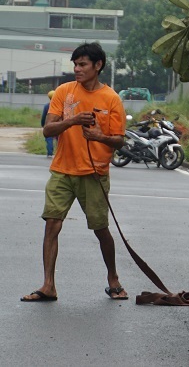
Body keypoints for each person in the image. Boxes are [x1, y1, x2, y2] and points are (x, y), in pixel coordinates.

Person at [20, 42, 128, 303]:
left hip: (94, 173)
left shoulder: (111, 99)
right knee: (51, 225)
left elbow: (120, 140)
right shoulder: (65, 92)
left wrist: (100, 136)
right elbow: (48, 130)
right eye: (75, 65)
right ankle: (48, 286)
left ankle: (113, 279)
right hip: (62, 171)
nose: (77, 69)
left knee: (101, 229)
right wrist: (73, 120)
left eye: (82, 64)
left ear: (98, 65)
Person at [40, 90, 56, 157]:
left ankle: (50, 153)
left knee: (49, 139)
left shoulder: (47, 106)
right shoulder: (61, 105)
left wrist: (43, 124)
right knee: (60, 139)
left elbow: (44, 116)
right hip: (59, 124)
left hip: (49, 124)